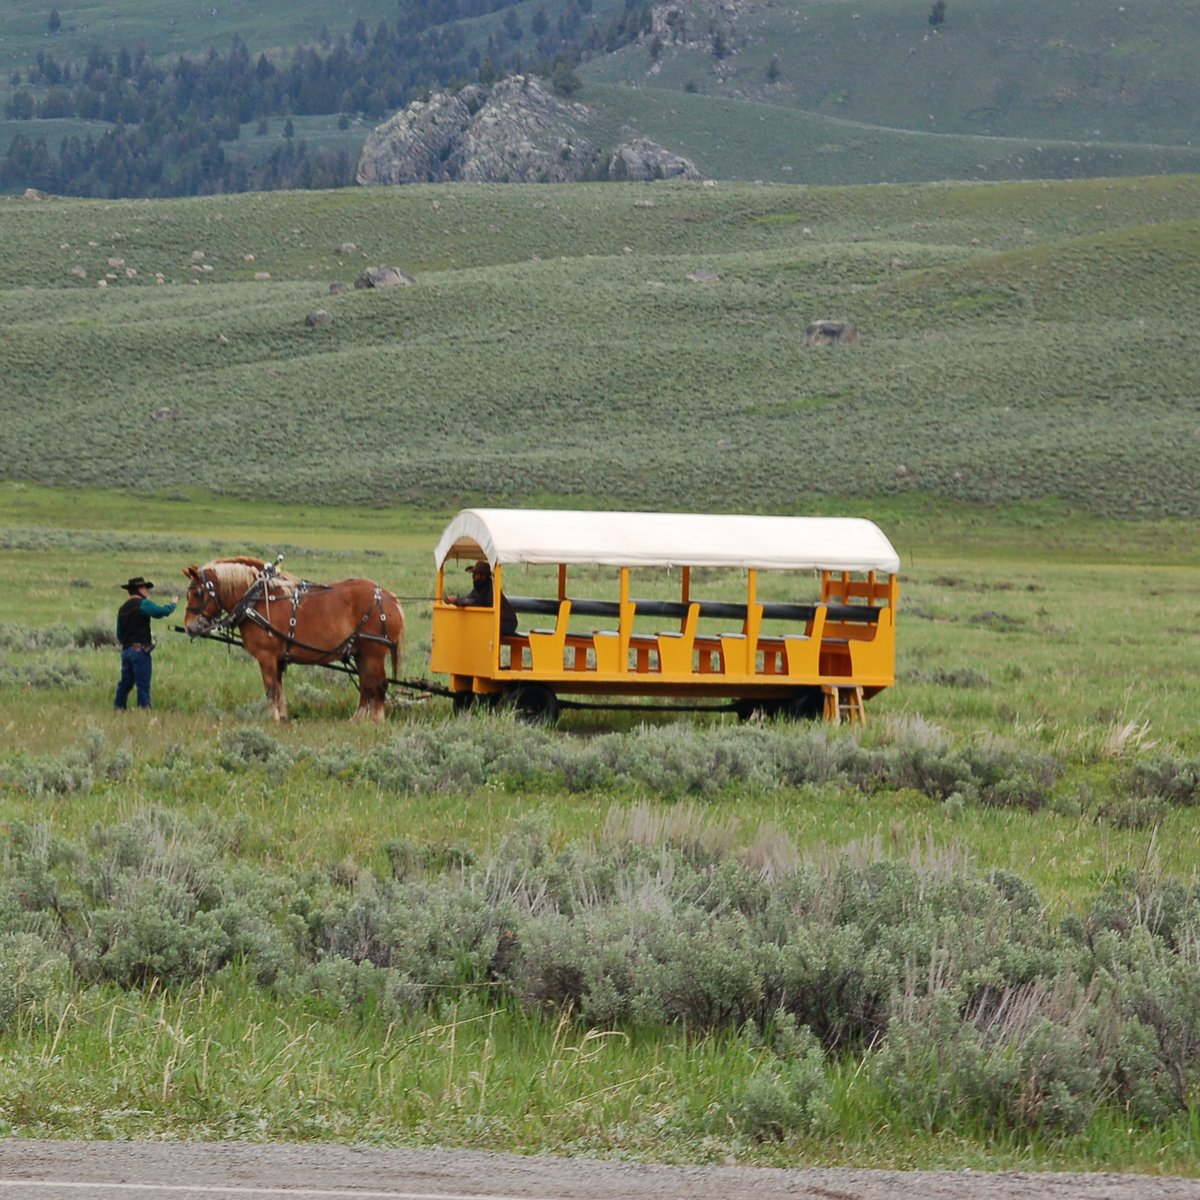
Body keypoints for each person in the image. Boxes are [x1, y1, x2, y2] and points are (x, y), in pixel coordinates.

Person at [113, 576, 178, 710]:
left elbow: (119, 634)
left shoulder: (122, 608)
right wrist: (173, 604)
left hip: (126, 651)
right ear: (140, 589)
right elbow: (160, 612)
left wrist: (127, 645)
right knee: (143, 684)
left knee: (125, 683)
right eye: (145, 588)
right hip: (140, 651)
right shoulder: (143, 604)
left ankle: (118, 708)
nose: (147, 592)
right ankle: (144, 711)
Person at [444, 560, 518, 635]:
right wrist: (454, 601)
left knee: (482, 630)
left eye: (475, 574)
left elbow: (477, 603)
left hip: (507, 622)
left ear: (483, 576)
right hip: (499, 620)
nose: (473, 577)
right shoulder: (479, 587)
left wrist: (457, 600)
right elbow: (468, 599)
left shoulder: (490, 588)